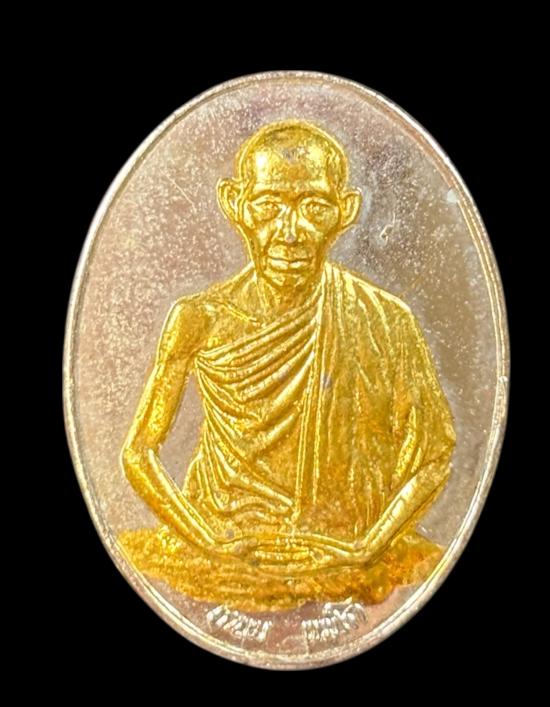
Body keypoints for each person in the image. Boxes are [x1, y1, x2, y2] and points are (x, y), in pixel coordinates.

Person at [119, 120, 456, 611]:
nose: (291, 232)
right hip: (226, 540)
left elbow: (435, 454)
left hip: (341, 550)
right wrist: (207, 540)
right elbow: (138, 452)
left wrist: (366, 547)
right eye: (268, 206)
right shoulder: (199, 319)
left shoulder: (385, 320)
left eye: (314, 207)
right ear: (236, 205)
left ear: (346, 211)